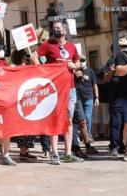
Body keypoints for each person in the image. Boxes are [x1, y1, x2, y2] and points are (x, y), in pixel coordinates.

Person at [36, 21, 83, 165]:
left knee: (68, 120)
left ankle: (68, 153)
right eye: (54, 28)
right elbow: (33, 56)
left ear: (65, 31)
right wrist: (43, 71)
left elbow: (77, 61)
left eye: (58, 28)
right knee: (54, 119)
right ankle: (54, 153)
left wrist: (74, 66)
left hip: (70, 88)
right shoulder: (48, 44)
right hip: (54, 90)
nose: (55, 29)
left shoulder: (71, 46)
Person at [74, 56, 99, 155]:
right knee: (77, 121)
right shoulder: (74, 70)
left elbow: (95, 84)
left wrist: (97, 97)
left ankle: (88, 140)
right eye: (79, 61)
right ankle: (77, 146)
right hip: (76, 98)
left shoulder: (90, 71)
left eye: (83, 60)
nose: (81, 62)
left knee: (85, 119)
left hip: (88, 98)